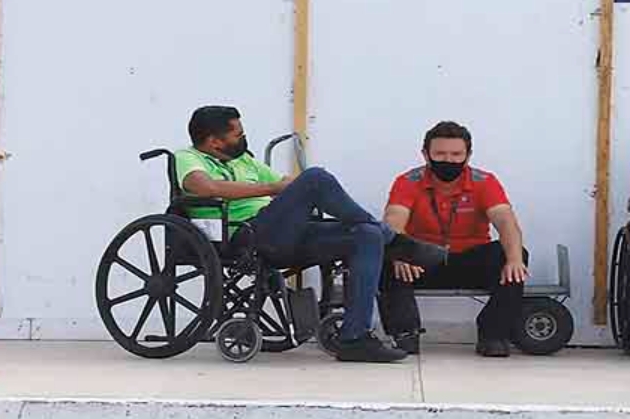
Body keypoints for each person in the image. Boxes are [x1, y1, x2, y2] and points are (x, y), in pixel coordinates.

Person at [174, 106, 447, 364]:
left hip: (282, 232)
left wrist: (295, 190)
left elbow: (285, 185)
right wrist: (277, 188)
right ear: (214, 142)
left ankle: (355, 338)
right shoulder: (188, 158)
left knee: (366, 234)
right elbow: (206, 187)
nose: (244, 138)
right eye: (238, 135)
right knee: (315, 178)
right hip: (245, 236)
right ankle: (395, 240)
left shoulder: (244, 160)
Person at [380, 121, 529, 358]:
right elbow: (393, 219)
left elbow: (505, 220)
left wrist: (514, 258)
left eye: (456, 154)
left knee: (514, 254)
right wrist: (400, 252)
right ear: (425, 155)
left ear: (468, 156)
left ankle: (494, 334)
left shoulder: (484, 181)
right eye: (440, 154)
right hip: (421, 262)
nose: (448, 160)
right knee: (385, 254)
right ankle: (405, 334)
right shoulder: (407, 181)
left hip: (469, 261)